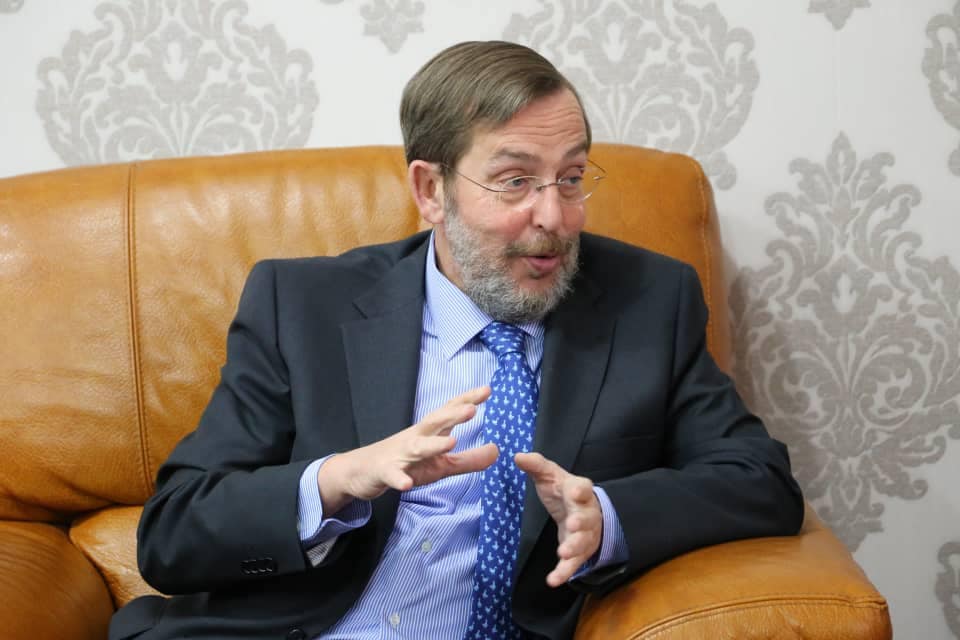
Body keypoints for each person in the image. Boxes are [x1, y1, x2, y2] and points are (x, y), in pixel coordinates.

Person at [109, 40, 803, 640]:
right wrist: (339, 480)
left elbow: (760, 481)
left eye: (570, 178)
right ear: (431, 190)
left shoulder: (647, 301)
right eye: (515, 181)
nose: (554, 217)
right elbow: (172, 535)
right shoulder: (303, 306)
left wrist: (608, 517)